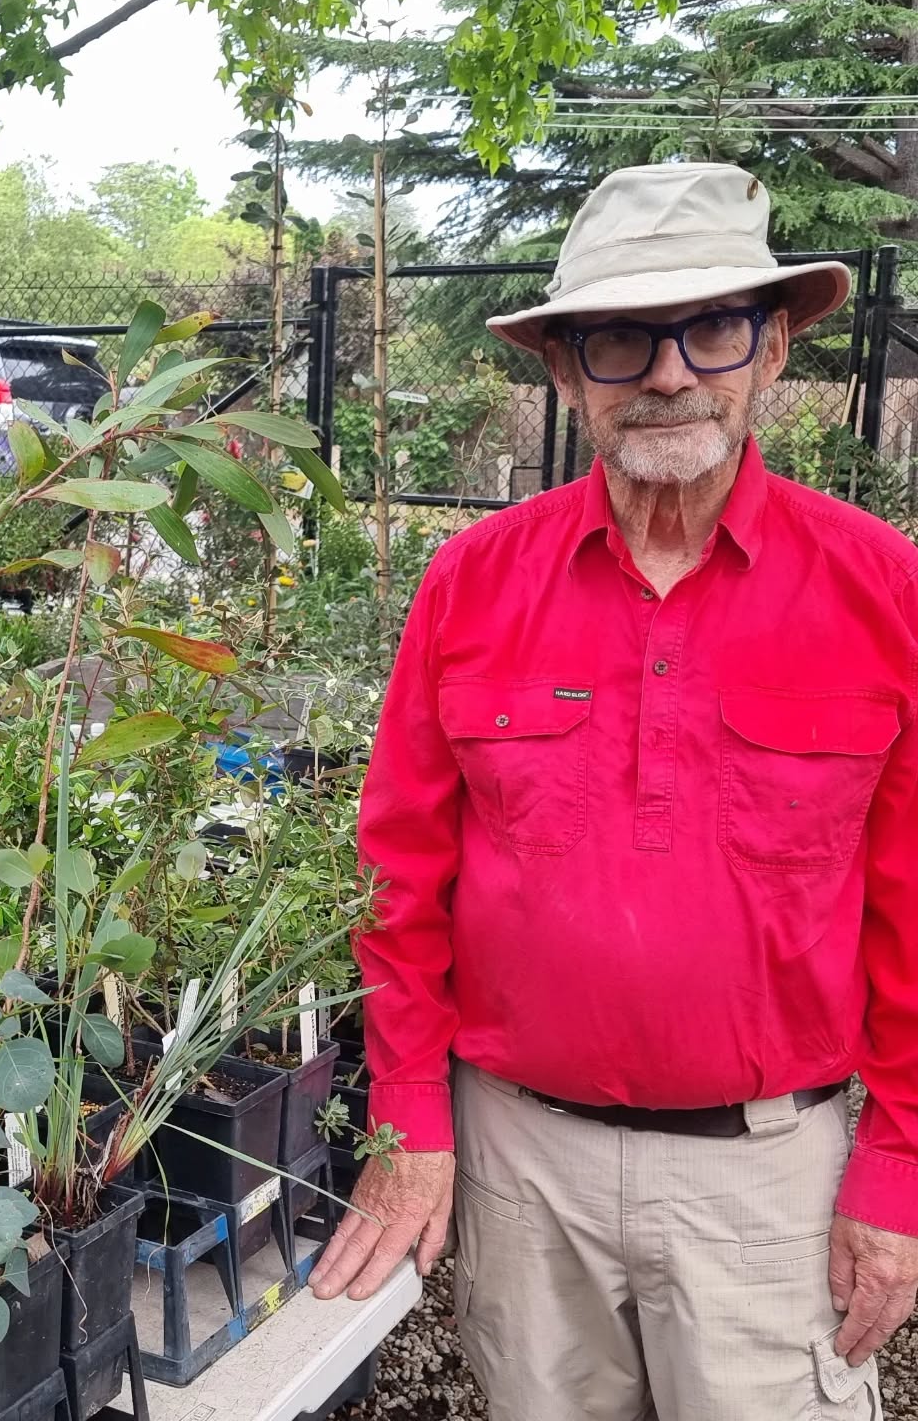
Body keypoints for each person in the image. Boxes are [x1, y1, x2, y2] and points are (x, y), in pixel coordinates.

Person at [308, 161, 918, 1420]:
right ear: (564, 368)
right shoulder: (471, 585)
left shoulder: (883, 591)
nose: (670, 372)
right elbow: (398, 878)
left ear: (776, 348)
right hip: (522, 1170)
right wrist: (411, 1122)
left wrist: (899, 1172)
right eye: (621, 338)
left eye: (712, 327)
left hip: (771, 1182)